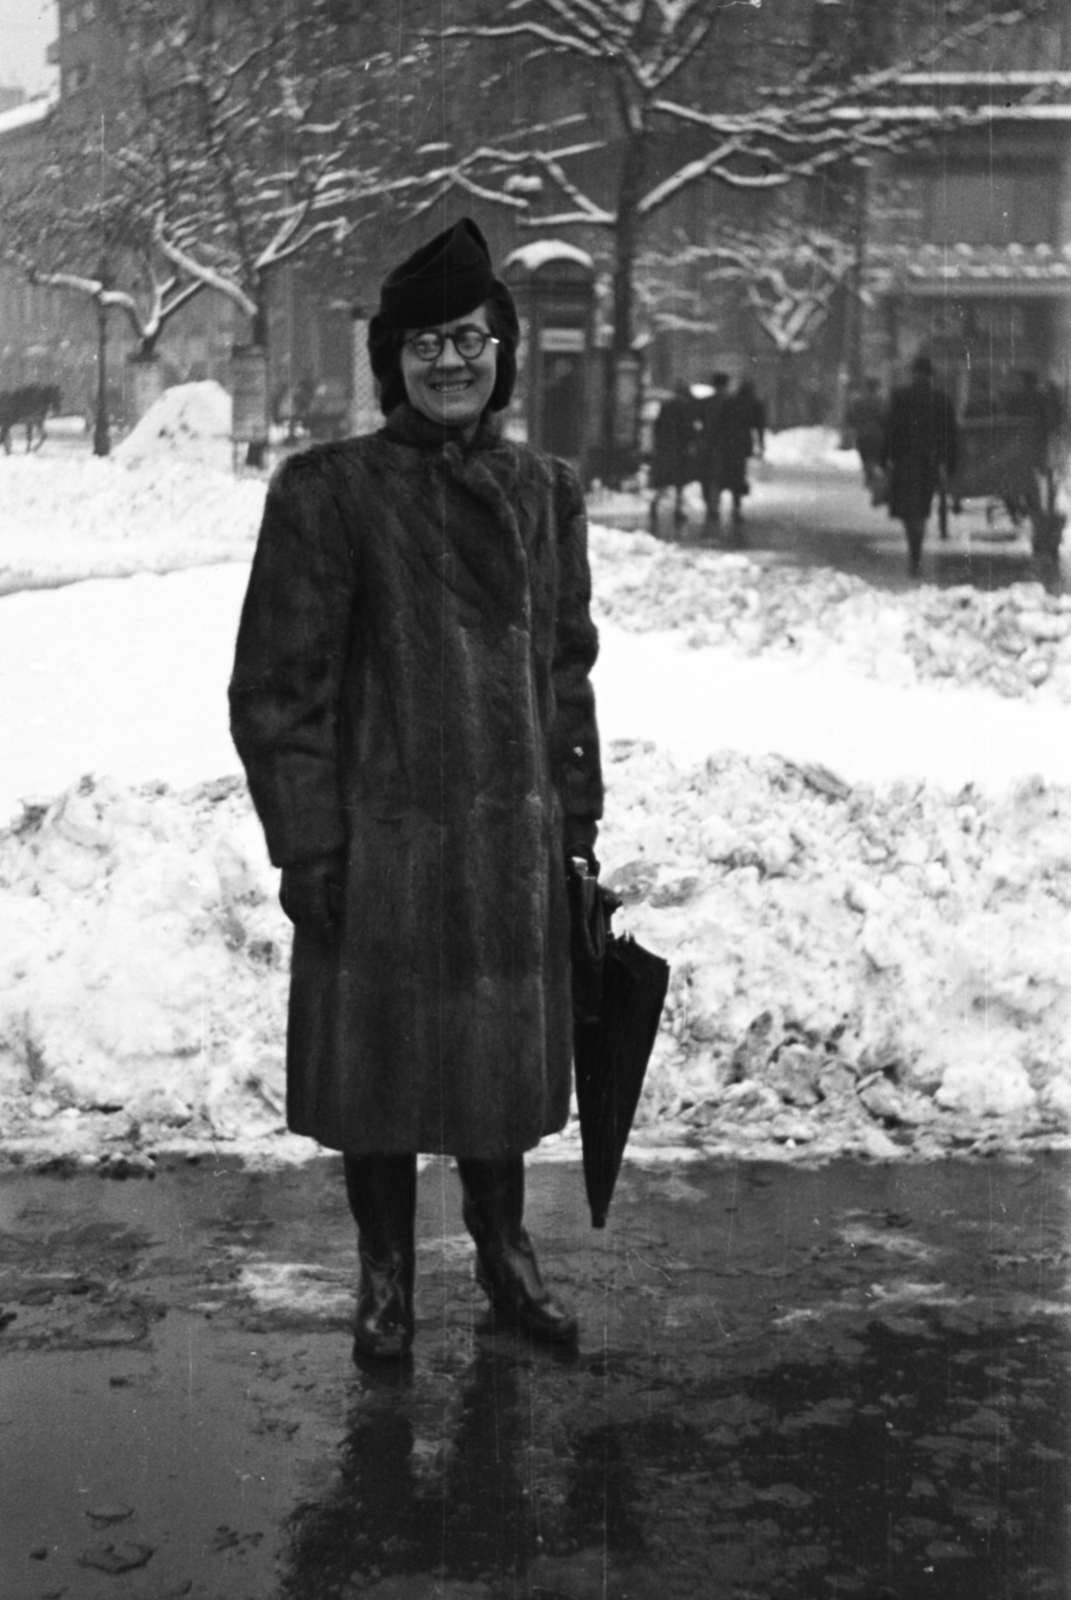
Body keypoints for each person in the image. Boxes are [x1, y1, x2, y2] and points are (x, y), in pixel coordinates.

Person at [228, 218, 604, 1362]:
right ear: (394, 358)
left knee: (497, 1061)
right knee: (379, 1071)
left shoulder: (546, 492)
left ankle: (504, 1254)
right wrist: (310, 845)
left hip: (506, 847)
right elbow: (277, 688)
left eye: (473, 340)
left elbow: (566, 667)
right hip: (378, 847)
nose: (452, 362)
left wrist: (575, 828)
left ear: (503, 353)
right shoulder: (328, 491)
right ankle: (385, 1274)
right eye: (428, 343)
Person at [881, 354, 958, 576]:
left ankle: (914, 549)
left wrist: (884, 458)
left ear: (914, 374)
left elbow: (890, 430)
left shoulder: (900, 397)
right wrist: (950, 463)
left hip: (904, 461)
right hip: (928, 463)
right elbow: (949, 435)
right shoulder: (941, 400)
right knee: (922, 508)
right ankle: (917, 550)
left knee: (906, 509)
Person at [648, 379, 701, 531]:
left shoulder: (667, 405)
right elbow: (689, 428)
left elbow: (658, 426)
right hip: (680, 449)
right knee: (679, 482)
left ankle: (654, 503)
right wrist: (692, 443)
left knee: (664, 480)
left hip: (666, 447)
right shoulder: (687, 406)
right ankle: (678, 509)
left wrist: (658, 443)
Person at [846, 376, 886, 490]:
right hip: (877, 434)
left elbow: (851, 417)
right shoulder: (881, 401)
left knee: (865, 455)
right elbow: (885, 418)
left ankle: (869, 475)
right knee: (874, 455)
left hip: (862, 434)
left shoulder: (858, 402)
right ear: (877, 388)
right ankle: (872, 474)